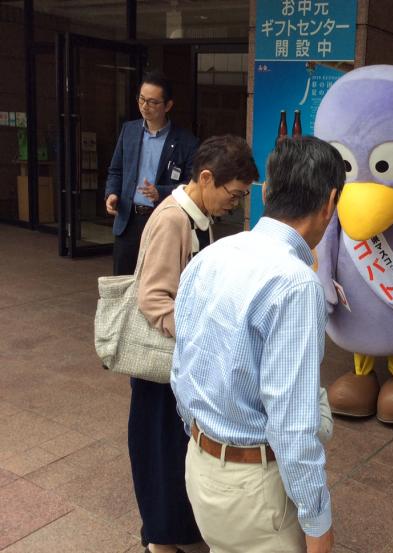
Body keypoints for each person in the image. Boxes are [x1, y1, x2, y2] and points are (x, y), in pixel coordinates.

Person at [171, 136, 345, 553]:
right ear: (331, 201)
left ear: (266, 191)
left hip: (200, 466)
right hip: (255, 486)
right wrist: (318, 524)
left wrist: (202, 440)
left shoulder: (212, 255)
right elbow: (293, 426)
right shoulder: (296, 285)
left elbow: (181, 367)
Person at [133, 134, 258, 553]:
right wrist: (198, 335)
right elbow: (152, 298)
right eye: (234, 194)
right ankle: (160, 541)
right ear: (206, 178)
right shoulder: (174, 220)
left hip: (180, 364)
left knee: (176, 452)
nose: (235, 204)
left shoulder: (196, 216)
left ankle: (176, 532)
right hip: (162, 368)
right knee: (163, 455)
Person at [105, 70, 199, 276]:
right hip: (128, 220)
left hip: (161, 221)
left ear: (168, 105)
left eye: (153, 102)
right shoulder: (128, 131)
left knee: (155, 280)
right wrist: (112, 194)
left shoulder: (185, 141)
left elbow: (192, 186)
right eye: (141, 99)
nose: (145, 106)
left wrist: (161, 192)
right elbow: (116, 170)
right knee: (122, 280)